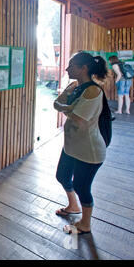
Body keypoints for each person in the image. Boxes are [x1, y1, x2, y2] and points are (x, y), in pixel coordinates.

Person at [53, 51, 108, 235]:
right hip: (72, 145)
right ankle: (73, 205)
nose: (67, 69)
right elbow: (58, 104)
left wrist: (65, 107)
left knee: (81, 186)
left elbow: (79, 118)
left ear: (84, 68)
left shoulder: (93, 90)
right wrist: (67, 106)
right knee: (62, 175)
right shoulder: (75, 86)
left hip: (89, 150)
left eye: (71, 66)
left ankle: (85, 224)